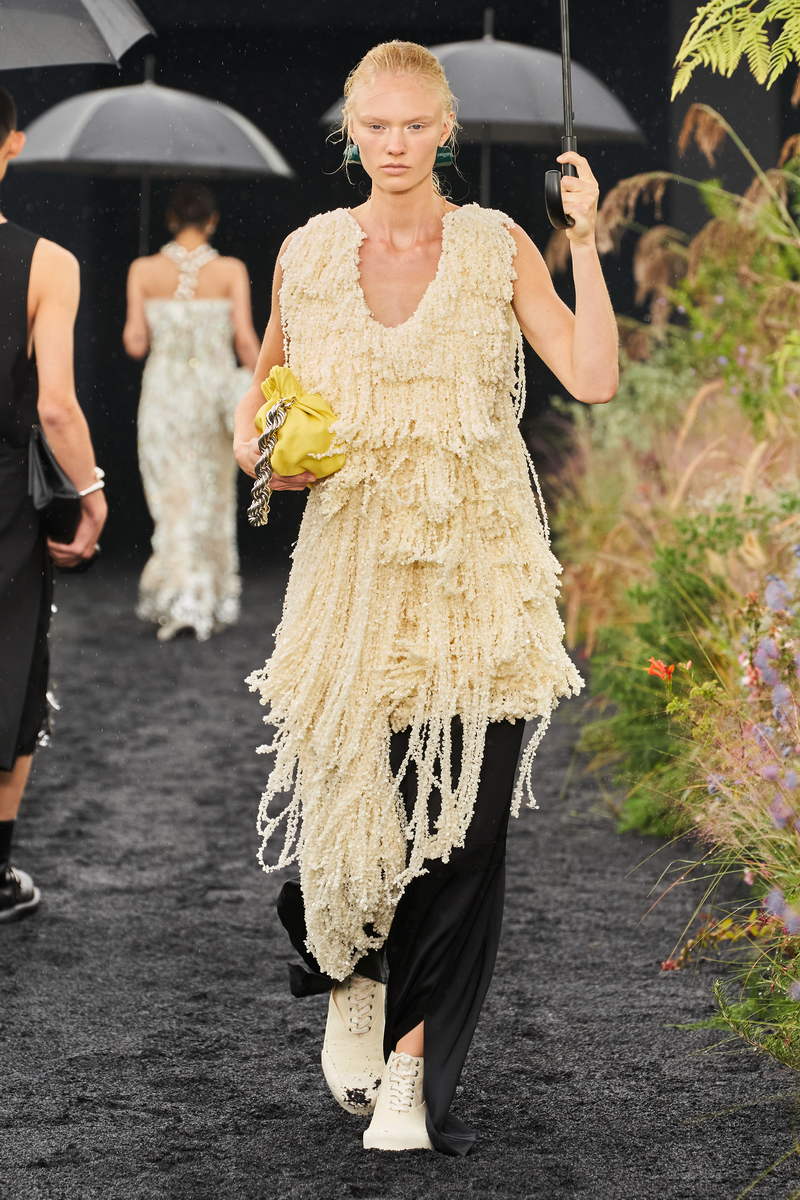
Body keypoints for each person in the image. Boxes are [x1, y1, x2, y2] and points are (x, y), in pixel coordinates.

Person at [234, 41, 618, 1154]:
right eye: (375, 126)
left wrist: (583, 240)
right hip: (351, 582)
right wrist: (276, 459)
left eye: (414, 126)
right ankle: (349, 968)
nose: (394, 145)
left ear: (444, 130)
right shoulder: (306, 255)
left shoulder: (496, 245)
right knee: (358, 819)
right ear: (348, 133)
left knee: (465, 830)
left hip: (480, 577)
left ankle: (409, 1072)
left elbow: (589, 375)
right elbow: (260, 409)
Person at [0, 86, 107, 923]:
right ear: (13, 143)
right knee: (11, 668)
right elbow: (57, 406)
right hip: (3, 498)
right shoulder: (47, 262)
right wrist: (93, 495)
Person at [123, 183, 260, 642]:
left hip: (165, 394)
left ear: (169, 221)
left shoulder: (143, 269)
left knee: (171, 493)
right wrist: (266, 389)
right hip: (213, 395)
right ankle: (203, 595)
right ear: (212, 222)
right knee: (210, 490)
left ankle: (180, 594)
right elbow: (244, 340)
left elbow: (135, 344)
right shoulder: (230, 269)